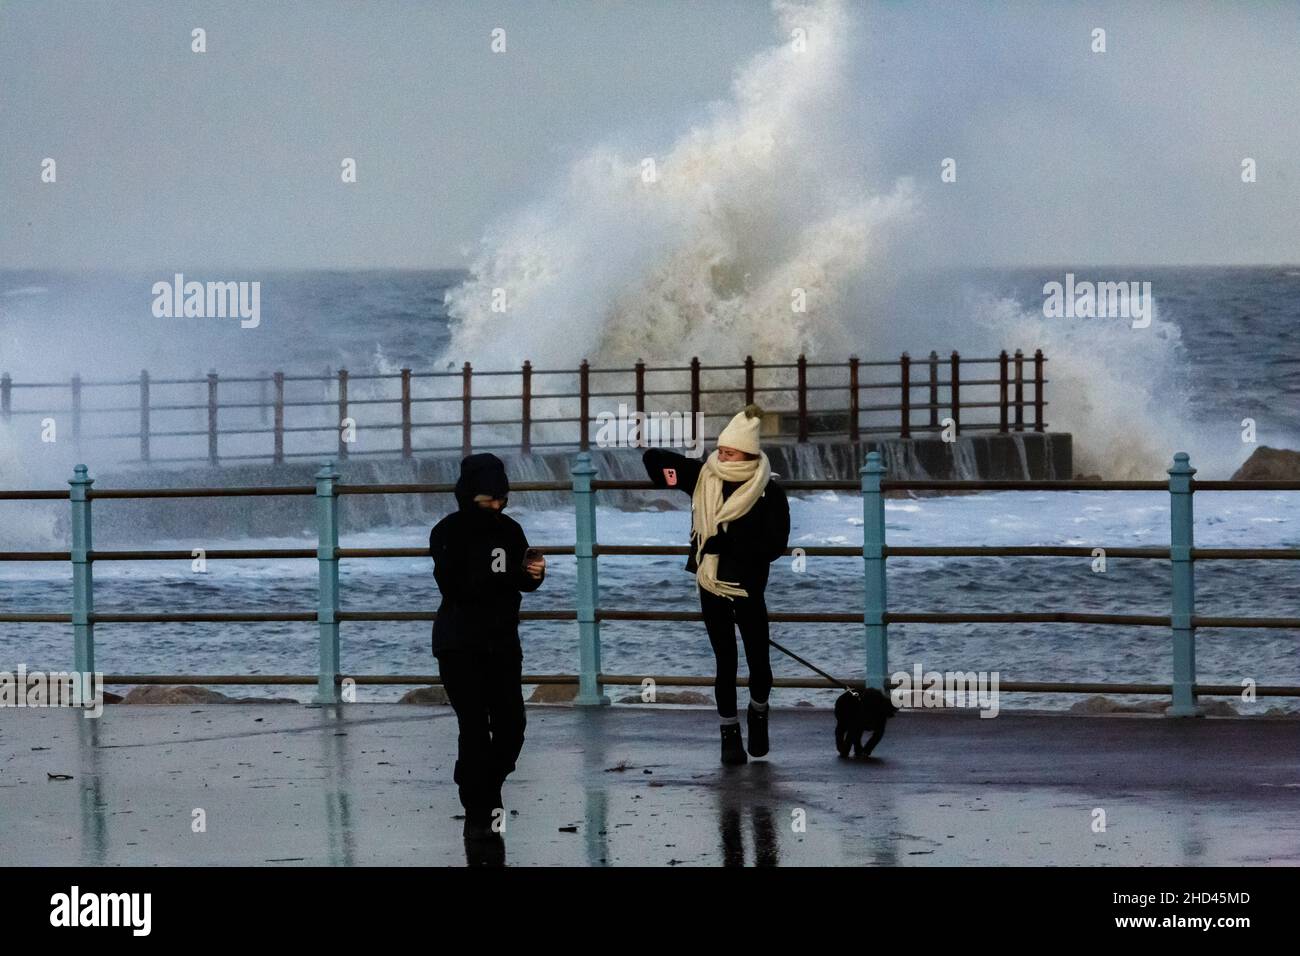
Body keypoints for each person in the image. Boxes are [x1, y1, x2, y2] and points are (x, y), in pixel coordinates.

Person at [643, 404, 790, 765]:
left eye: (729, 451)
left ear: (750, 454)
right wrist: (690, 462)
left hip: (748, 586)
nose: (721, 455)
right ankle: (728, 733)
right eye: (720, 449)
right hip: (710, 585)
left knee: (759, 662)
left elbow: (775, 545)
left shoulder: (768, 492)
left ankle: (758, 714)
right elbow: (653, 461)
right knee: (725, 661)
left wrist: (732, 545)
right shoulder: (703, 477)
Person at [429, 453, 545, 840]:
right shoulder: (447, 532)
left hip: (503, 643)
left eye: (501, 498)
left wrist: (533, 576)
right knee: (475, 726)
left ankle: (477, 781)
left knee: (513, 726)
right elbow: (453, 586)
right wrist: (502, 578)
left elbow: (522, 582)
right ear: (468, 495)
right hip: (459, 644)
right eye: (487, 500)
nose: (496, 506)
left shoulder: (511, 530)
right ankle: (482, 806)